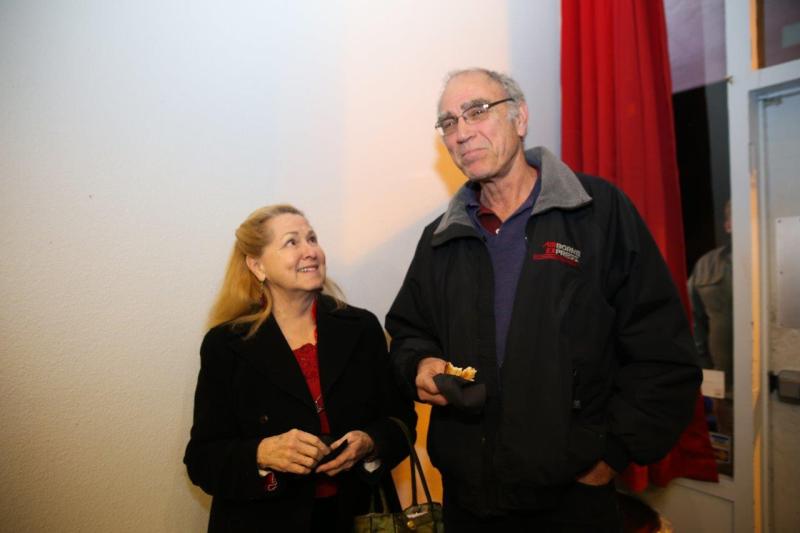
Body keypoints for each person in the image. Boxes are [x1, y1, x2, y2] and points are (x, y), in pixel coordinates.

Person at [386, 68, 701, 531]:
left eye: (476, 111)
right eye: (448, 122)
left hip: (572, 501)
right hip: (468, 503)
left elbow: (662, 353)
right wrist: (420, 365)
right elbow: (408, 332)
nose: (462, 132)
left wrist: (611, 455)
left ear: (520, 117)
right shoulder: (439, 239)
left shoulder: (598, 213)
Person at [185, 204, 416, 532]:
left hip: (355, 517)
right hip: (264, 521)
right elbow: (202, 460)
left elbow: (401, 420)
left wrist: (371, 442)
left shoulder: (361, 328)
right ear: (257, 265)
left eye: (312, 239)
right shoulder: (226, 346)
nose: (311, 251)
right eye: (292, 242)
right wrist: (262, 453)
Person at [687, 200, 733, 474]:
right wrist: (707, 375)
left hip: (761, 384)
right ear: (727, 224)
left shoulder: (770, 266)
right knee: (729, 461)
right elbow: (695, 325)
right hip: (723, 386)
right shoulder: (706, 267)